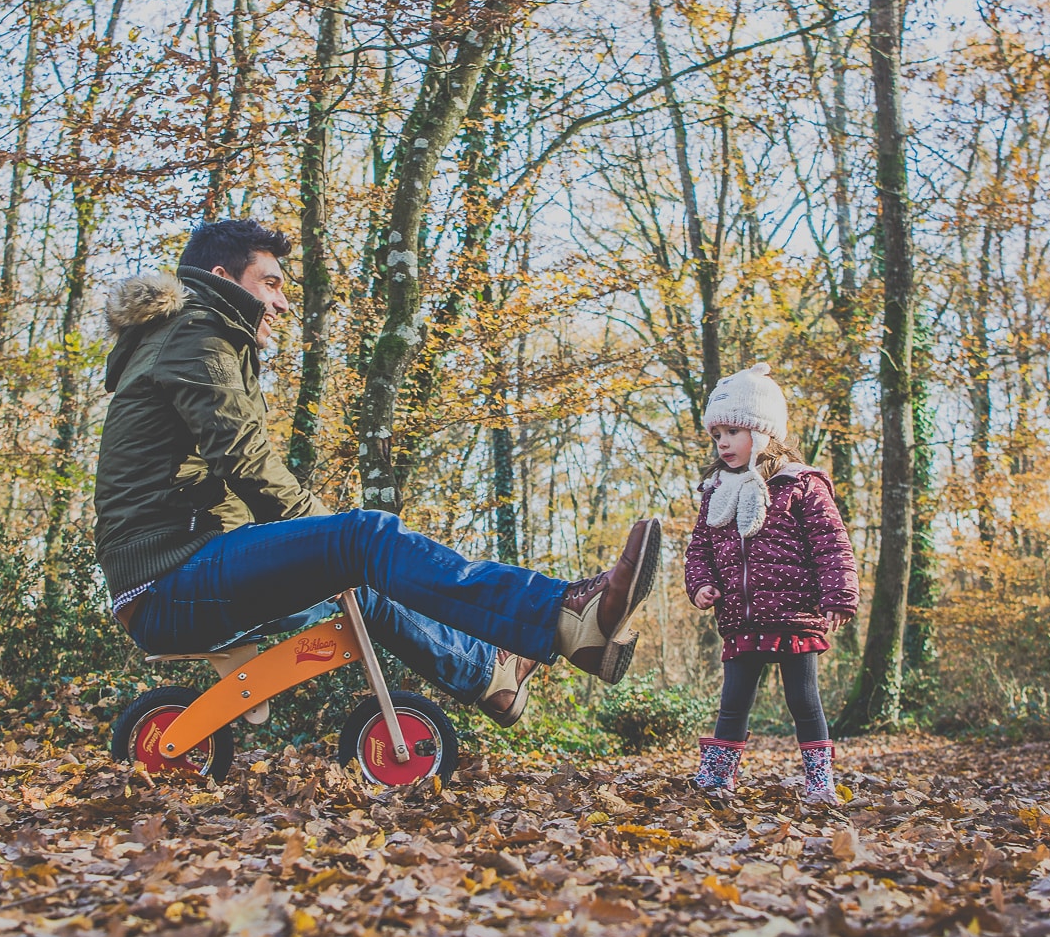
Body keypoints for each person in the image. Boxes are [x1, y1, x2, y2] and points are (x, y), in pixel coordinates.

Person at [92, 219, 660, 728]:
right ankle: (563, 612)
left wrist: (327, 547)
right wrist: (331, 540)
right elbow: (244, 459)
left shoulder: (190, 335)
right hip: (169, 580)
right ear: (221, 276)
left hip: (181, 573)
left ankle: (490, 675)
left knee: (367, 573)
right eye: (271, 283)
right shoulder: (196, 332)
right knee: (365, 538)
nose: (284, 303)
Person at [682, 363, 858, 802]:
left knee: (803, 700)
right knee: (733, 702)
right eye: (717, 434)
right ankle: (718, 776)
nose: (723, 442)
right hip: (740, 618)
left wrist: (838, 595)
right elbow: (698, 549)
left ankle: (819, 780)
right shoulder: (715, 492)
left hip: (794, 616)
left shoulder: (800, 485)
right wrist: (701, 584)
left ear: (763, 435)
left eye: (733, 432)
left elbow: (831, 542)